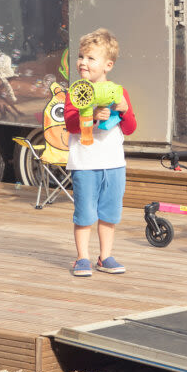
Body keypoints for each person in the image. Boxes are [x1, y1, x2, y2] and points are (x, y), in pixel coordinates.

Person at [63, 29, 137, 276]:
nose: (83, 62)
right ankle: (81, 258)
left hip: (114, 163)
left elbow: (130, 128)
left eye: (90, 58)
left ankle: (105, 257)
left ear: (108, 65)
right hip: (84, 163)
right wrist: (92, 116)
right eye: (81, 56)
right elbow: (71, 125)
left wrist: (124, 110)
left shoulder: (119, 91)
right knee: (84, 213)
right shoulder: (76, 92)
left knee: (110, 213)